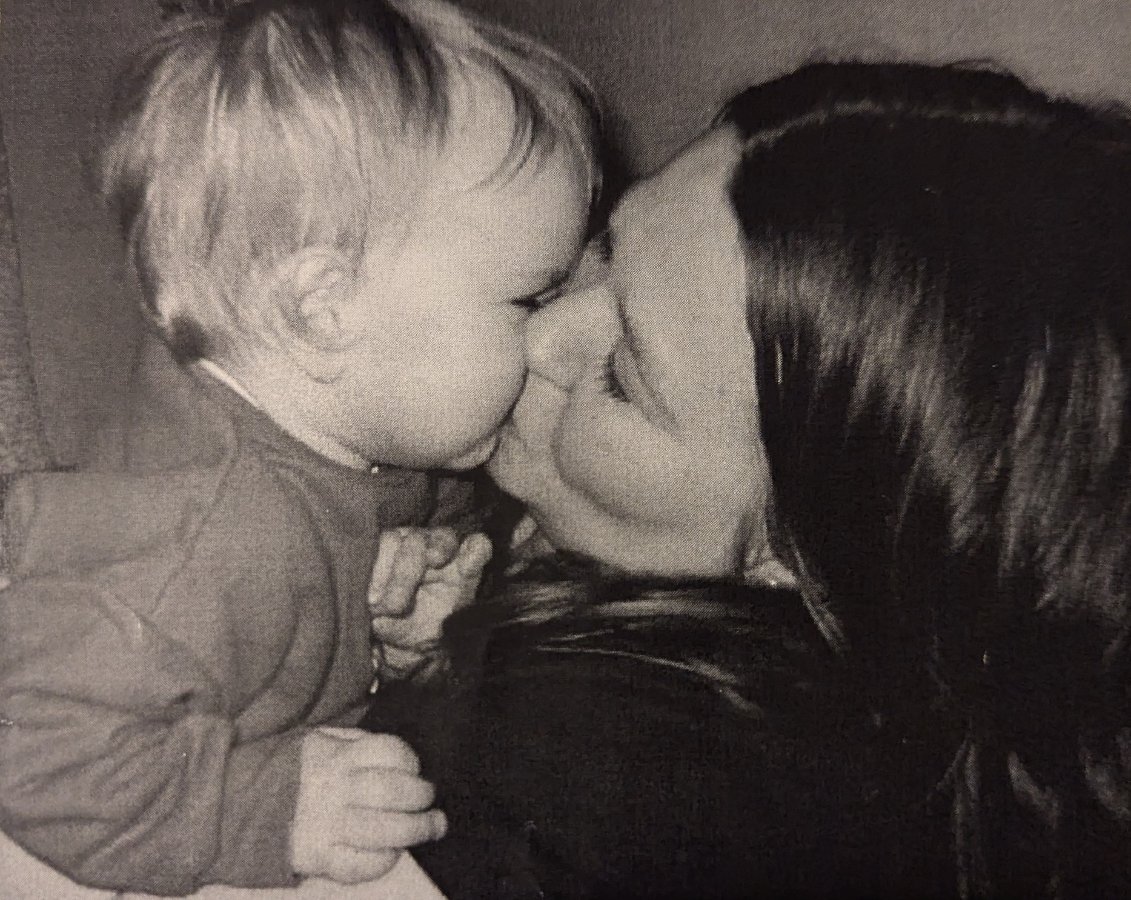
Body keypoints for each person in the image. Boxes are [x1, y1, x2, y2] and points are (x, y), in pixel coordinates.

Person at [367, 62, 1131, 898]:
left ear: (797, 553)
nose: (540, 332)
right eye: (605, 250)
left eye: (623, 377)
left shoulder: (571, 773)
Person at [0, 0, 597, 894]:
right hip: (76, 781)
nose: (552, 338)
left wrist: (399, 628)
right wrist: (267, 807)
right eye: (528, 300)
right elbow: (31, 749)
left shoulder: (368, 421)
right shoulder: (212, 540)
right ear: (323, 311)